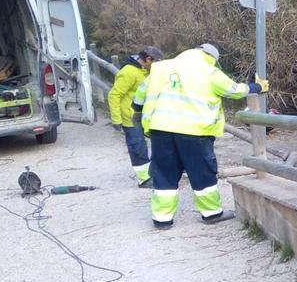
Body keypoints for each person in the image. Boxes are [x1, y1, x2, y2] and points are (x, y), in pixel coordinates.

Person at [133, 43, 268, 229]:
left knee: (164, 173)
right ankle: (211, 213)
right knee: (202, 172)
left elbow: (140, 96)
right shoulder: (209, 71)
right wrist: (257, 87)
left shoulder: (161, 68)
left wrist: (140, 109)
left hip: (160, 129)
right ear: (212, 58)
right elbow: (233, 90)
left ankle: (162, 218)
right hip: (194, 132)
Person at [108, 46, 161, 187]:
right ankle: (144, 178)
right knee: (138, 147)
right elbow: (114, 95)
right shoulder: (129, 72)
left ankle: (155, 171)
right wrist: (116, 119)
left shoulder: (146, 71)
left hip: (145, 115)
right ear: (148, 59)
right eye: (156, 61)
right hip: (131, 117)